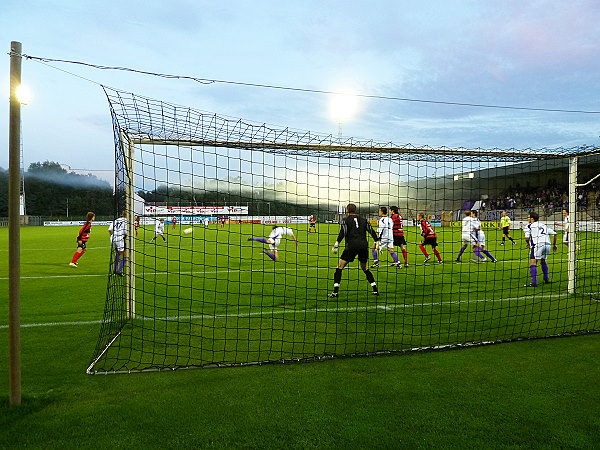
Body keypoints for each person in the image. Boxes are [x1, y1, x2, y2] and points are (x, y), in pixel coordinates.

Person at [328, 203, 379, 298]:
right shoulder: (364, 220)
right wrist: (377, 242)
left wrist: (336, 244)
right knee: (365, 268)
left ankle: (335, 292)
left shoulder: (345, 220)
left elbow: (343, 232)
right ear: (355, 210)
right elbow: (371, 230)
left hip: (351, 246)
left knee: (339, 267)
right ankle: (375, 289)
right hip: (363, 246)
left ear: (347, 210)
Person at [524, 211, 558, 287]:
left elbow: (526, 238)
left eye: (528, 217)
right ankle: (546, 279)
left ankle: (534, 282)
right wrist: (554, 245)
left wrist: (528, 244)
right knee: (542, 260)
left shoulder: (529, 226)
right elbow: (555, 234)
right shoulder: (543, 225)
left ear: (532, 219)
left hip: (538, 244)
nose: (527, 219)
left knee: (533, 262)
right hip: (547, 244)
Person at [108, 210, 128, 275]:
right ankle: (119, 271)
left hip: (113, 238)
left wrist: (112, 235)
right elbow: (126, 232)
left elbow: (109, 230)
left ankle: (115, 270)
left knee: (118, 253)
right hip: (120, 239)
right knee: (125, 255)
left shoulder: (116, 220)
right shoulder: (126, 221)